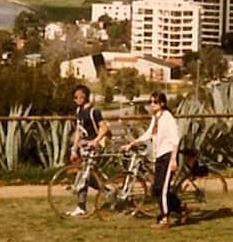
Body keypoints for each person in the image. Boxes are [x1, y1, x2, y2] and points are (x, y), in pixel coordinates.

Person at [125, 92, 185, 229]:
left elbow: (176, 139)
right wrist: (133, 143)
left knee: (163, 189)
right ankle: (180, 209)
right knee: (157, 189)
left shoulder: (168, 118)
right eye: (151, 102)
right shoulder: (156, 118)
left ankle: (165, 218)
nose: (152, 104)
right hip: (158, 156)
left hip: (168, 155)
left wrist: (174, 159)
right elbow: (148, 133)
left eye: (155, 102)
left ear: (162, 104)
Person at [66, 84, 111, 217]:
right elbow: (79, 131)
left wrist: (95, 141)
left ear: (86, 96)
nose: (78, 99)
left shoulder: (94, 112)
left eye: (81, 96)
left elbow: (104, 128)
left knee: (85, 175)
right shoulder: (79, 112)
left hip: (95, 147)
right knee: (85, 175)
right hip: (83, 147)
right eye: (75, 97)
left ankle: (106, 193)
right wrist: (74, 148)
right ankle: (105, 193)